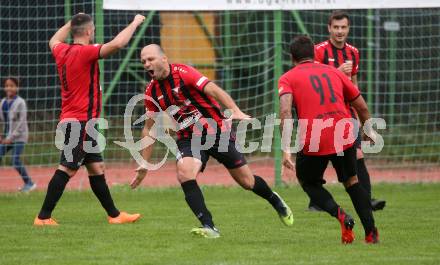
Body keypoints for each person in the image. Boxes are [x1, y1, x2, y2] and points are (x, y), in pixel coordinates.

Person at [130, 44, 294, 238]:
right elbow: (149, 128)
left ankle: (275, 200)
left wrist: (235, 110)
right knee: (185, 173)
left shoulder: (184, 72)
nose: (146, 64)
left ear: (164, 58)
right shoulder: (151, 91)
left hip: (216, 131)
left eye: (150, 59)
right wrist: (144, 163)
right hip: (189, 138)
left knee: (247, 182)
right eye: (143, 62)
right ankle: (209, 226)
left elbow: (214, 90)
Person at [34, 13, 145, 226]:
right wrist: (135, 22)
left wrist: (72, 21)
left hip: (80, 122)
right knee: (67, 168)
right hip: (80, 122)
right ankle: (43, 217)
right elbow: (119, 43)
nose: (93, 31)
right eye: (92, 29)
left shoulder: (61, 50)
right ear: (87, 31)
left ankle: (114, 215)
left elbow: (53, 40)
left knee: (96, 168)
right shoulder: (85, 52)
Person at [279, 35, 379, 243]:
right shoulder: (334, 72)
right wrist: (369, 130)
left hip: (314, 137)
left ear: (292, 57)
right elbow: (361, 106)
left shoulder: (288, 78)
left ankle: (341, 216)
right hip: (344, 133)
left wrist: (286, 149)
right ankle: (371, 234)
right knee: (352, 181)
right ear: (314, 53)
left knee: (308, 183)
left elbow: (286, 113)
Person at [312, 10, 386, 211]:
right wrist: (337, 73)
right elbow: (314, 82)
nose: (339, 31)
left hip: (346, 112)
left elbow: (353, 86)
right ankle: (316, 200)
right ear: (329, 28)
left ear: (348, 28)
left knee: (358, 154)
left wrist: (360, 116)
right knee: (321, 154)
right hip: (323, 113)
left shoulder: (353, 52)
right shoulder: (318, 51)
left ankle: (367, 200)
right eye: (336, 27)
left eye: (343, 27)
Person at [0, 77, 36, 192]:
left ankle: (29, 183)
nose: (9, 88)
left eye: (12, 85)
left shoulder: (20, 102)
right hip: (6, 138)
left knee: (15, 161)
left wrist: (10, 138)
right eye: (7, 85)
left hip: (19, 137)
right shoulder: (3, 102)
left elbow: (21, 124)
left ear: (17, 87)